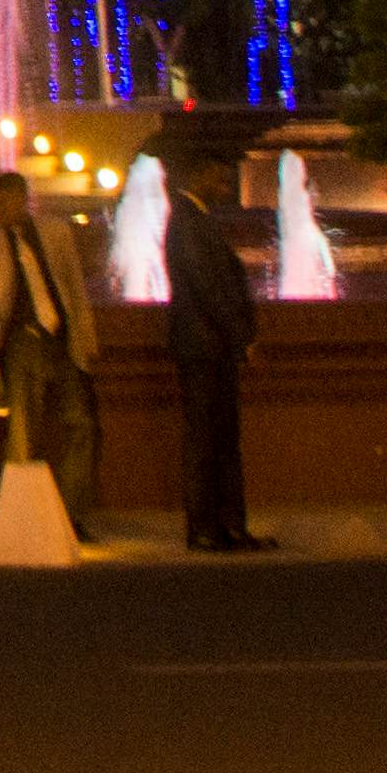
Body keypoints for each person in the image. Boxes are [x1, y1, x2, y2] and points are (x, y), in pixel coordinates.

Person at [0, 157, 105, 534]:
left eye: (7, 201)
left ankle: (69, 514)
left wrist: (87, 339)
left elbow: (74, 287)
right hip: (19, 343)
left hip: (62, 341)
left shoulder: (54, 233)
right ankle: (23, 519)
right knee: (23, 435)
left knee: (82, 426)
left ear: (24, 199)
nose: (0, 209)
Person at [161, 153, 265, 552]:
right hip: (202, 347)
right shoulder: (186, 220)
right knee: (206, 439)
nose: (225, 184)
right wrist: (242, 336)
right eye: (218, 176)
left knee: (222, 439)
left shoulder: (196, 218)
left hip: (210, 346)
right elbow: (208, 286)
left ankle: (228, 526)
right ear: (199, 174)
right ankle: (205, 528)